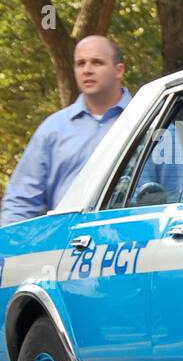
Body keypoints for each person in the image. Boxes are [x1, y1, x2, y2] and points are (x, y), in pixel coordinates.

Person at [2, 35, 131, 224]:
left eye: (97, 63)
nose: (87, 70)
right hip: (65, 248)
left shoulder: (151, 122)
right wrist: (9, 249)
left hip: (137, 246)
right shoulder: (54, 129)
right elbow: (21, 202)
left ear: (119, 70)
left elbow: (177, 197)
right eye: (80, 63)